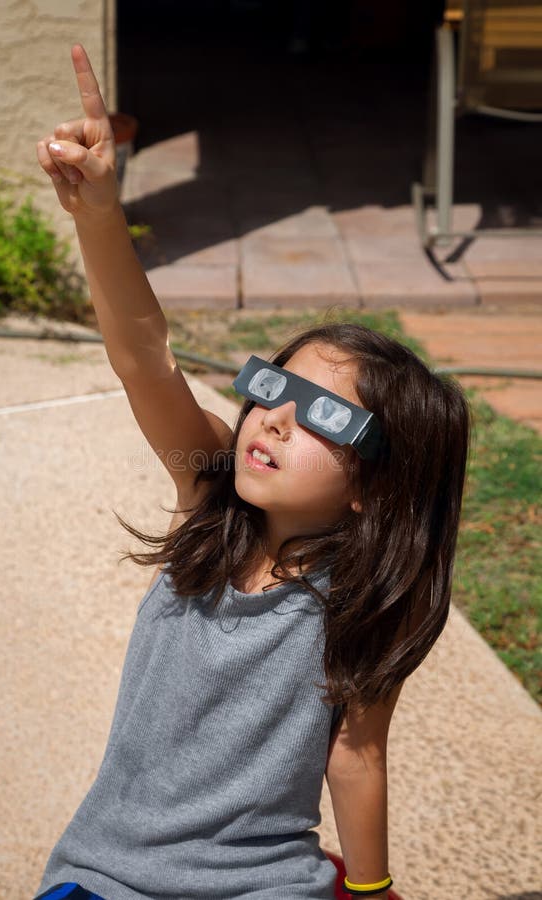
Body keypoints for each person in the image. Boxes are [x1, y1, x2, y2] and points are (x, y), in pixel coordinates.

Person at [33, 44, 470, 900]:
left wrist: (372, 893)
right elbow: (146, 358)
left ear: (373, 486)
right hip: (107, 875)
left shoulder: (368, 598)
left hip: (267, 883)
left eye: (323, 415)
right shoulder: (209, 492)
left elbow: (358, 754)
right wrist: (98, 215)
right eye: (274, 385)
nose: (273, 414)